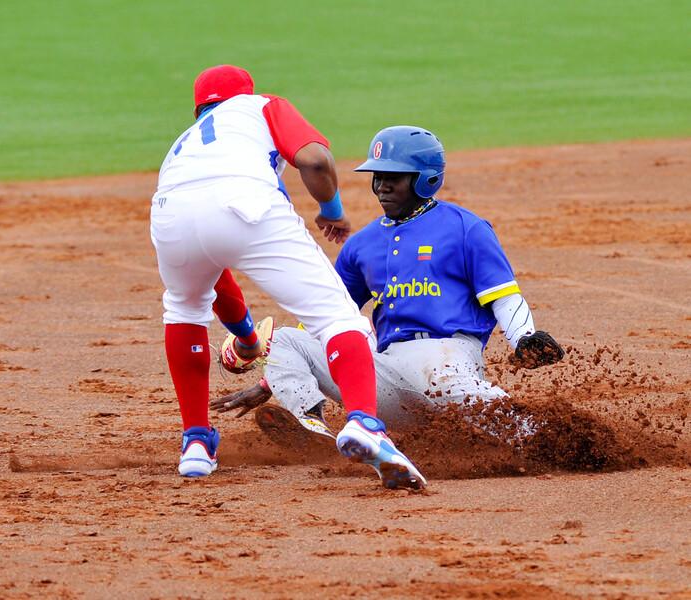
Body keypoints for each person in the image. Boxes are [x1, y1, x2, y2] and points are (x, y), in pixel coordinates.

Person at [151, 65, 425, 489]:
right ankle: (365, 423)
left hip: (168, 213)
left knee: (184, 310)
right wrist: (331, 208)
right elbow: (314, 159)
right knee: (336, 317)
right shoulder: (261, 106)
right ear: (244, 93)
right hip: (245, 202)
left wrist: (246, 339)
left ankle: (196, 445)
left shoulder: (185, 148)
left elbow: (218, 271)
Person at [211, 125, 564, 451]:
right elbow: (325, 319)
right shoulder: (360, 245)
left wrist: (524, 337)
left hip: (446, 365)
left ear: (425, 180)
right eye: (377, 176)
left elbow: (503, 294)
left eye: (393, 177)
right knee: (287, 341)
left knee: (533, 438)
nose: (381, 185)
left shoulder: (465, 228)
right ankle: (313, 429)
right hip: (388, 375)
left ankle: (565, 445)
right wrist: (269, 383)